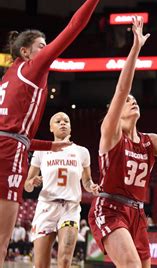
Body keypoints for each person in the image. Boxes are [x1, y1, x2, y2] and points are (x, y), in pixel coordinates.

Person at [0, 0, 114, 263]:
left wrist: (52, 145)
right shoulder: (32, 67)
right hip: (7, 151)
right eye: (41, 45)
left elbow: (17, 135)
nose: (45, 49)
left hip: (10, 144)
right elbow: (74, 26)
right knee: (1, 242)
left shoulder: (10, 74)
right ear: (26, 52)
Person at [88, 16, 157, 268]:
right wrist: (135, 49)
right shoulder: (110, 133)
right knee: (130, 265)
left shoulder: (150, 141)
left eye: (135, 99)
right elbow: (121, 90)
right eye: (128, 101)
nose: (132, 100)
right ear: (116, 112)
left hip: (138, 213)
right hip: (110, 208)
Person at [24, 112, 98, 268]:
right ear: (51, 128)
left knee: (64, 261)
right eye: (58, 121)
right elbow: (27, 186)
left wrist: (91, 186)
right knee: (41, 265)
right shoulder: (41, 151)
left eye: (66, 121)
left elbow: (86, 180)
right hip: (46, 207)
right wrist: (32, 181)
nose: (63, 123)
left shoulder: (82, 152)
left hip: (70, 208)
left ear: (70, 127)